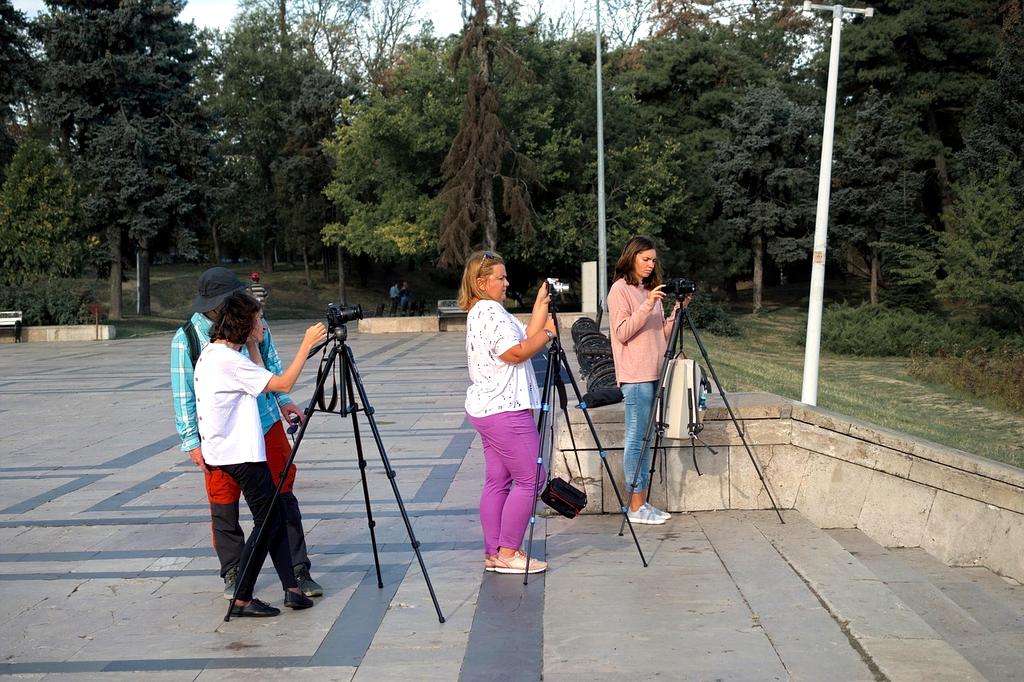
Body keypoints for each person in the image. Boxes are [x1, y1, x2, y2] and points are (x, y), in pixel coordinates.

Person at [170, 267, 324, 600]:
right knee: (224, 502)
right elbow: (182, 393)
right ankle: (235, 571)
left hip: (265, 423)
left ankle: (298, 570)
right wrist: (191, 442)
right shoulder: (189, 338)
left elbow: (269, 365)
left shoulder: (252, 323)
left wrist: (283, 402)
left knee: (283, 494)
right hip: (223, 438)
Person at [458, 250, 556, 574]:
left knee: (498, 479)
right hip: (506, 410)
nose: (506, 282)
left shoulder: (483, 311)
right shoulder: (490, 312)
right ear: (481, 282)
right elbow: (515, 352)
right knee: (533, 478)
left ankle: (494, 551)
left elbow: (524, 336)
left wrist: (541, 305)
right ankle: (509, 551)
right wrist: (549, 335)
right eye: (500, 277)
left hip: (490, 407)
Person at [607, 236, 683, 526]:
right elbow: (622, 332)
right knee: (636, 441)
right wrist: (647, 305)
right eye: (645, 259)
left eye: (653, 260)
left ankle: (643, 501)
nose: (651, 265)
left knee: (647, 439)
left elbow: (659, 335)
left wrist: (675, 313)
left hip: (655, 373)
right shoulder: (620, 290)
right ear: (632, 258)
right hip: (635, 376)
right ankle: (636, 506)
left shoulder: (649, 290)